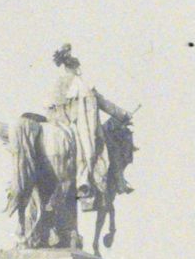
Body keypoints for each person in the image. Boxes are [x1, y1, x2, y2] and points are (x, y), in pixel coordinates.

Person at [47, 44, 133, 200]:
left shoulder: (56, 85)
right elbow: (104, 104)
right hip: (79, 127)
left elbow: (50, 109)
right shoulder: (83, 86)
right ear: (75, 68)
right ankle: (87, 183)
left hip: (58, 125)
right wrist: (124, 114)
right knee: (96, 148)